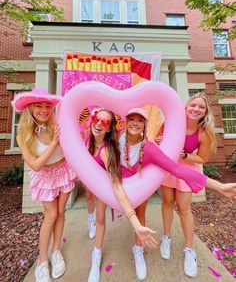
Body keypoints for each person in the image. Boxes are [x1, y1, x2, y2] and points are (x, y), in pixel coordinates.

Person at [119, 107, 236, 281]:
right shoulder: (116, 138)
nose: (135, 123)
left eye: (140, 120)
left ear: (144, 125)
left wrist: (218, 186)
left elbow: (177, 168)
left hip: (138, 185)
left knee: (140, 213)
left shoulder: (149, 149)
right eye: (131, 119)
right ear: (126, 122)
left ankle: (138, 250)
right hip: (116, 186)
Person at [11, 87, 76, 282]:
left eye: (47, 106)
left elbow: (72, 145)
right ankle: (42, 261)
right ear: (30, 108)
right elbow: (36, 165)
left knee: (61, 212)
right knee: (51, 215)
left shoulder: (56, 123)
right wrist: (55, 143)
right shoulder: (23, 134)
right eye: (38, 106)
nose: (44, 110)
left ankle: (56, 251)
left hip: (64, 171)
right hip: (45, 177)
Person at [87, 108, 158, 282]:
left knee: (140, 213)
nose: (98, 123)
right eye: (97, 119)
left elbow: (116, 185)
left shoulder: (106, 150)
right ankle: (96, 257)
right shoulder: (88, 140)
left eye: (104, 122)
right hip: (99, 183)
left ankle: (138, 249)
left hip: (118, 181)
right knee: (100, 219)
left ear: (110, 127)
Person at [155, 92, 222, 277]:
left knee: (184, 209)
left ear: (205, 112)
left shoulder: (204, 133)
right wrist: (159, 142)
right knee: (167, 202)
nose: (196, 109)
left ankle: (189, 250)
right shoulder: (171, 122)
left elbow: (202, 158)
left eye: (201, 107)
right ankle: (166, 237)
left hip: (188, 170)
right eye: (193, 105)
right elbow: (158, 141)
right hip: (169, 168)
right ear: (186, 106)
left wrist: (183, 155)